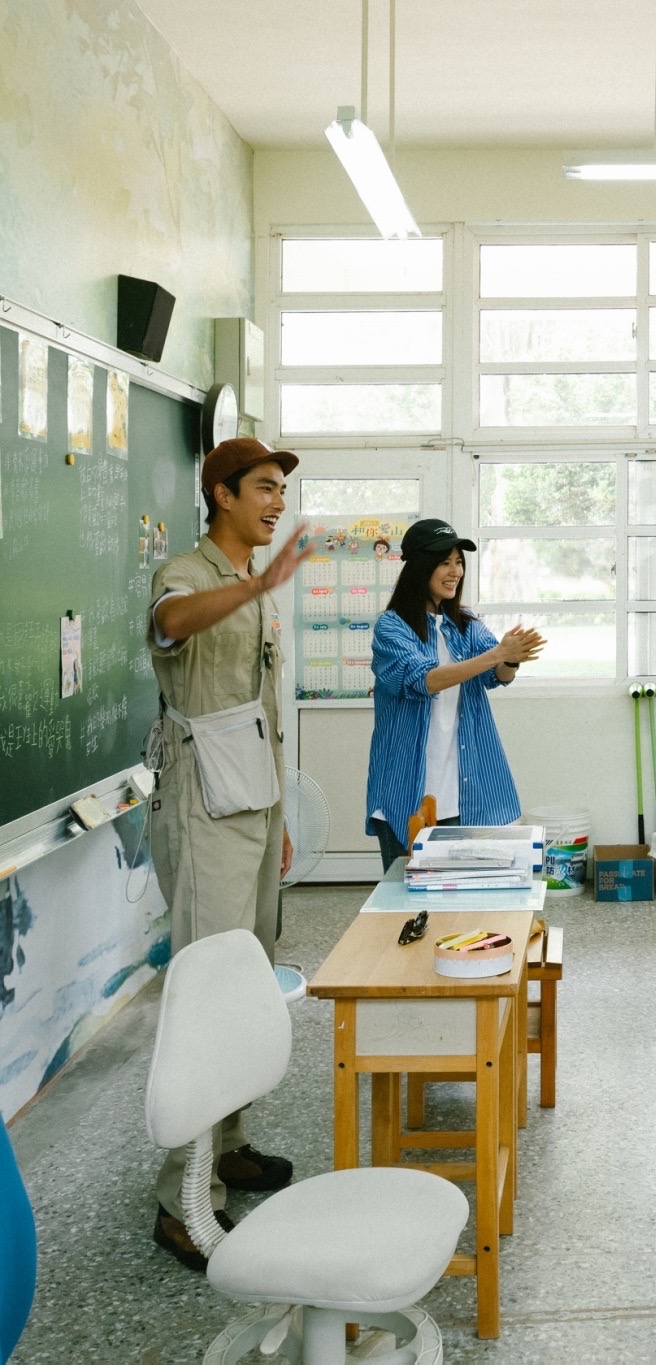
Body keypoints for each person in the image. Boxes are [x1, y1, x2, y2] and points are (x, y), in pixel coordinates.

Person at [144, 437, 312, 1269]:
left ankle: (230, 1141)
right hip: (204, 811)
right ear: (222, 493)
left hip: (253, 805)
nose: (277, 501)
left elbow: (259, 714)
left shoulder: (252, 583)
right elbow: (170, 623)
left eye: (281, 489)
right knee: (206, 996)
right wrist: (255, 583)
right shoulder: (189, 572)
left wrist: (280, 816)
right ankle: (183, 1194)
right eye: (264, 487)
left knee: (248, 987)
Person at [364, 519, 545, 869]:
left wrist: (510, 658)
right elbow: (424, 681)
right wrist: (496, 654)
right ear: (421, 566)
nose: (455, 572)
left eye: (459, 562)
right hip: (407, 791)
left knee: (462, 891)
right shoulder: (392, 627)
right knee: (406, 892)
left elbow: (497, 676)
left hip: (464, 791)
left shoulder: (465, 623)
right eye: (445, 562)